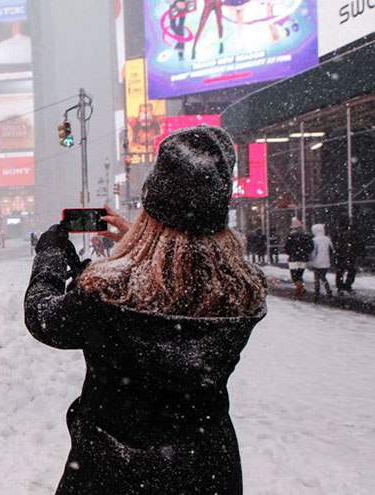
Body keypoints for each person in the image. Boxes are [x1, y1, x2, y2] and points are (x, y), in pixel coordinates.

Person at [25, 125, 267, 494]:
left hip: (114, 470)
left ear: (152, 204)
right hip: (206, 470)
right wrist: (139, 242)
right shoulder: (241, 289)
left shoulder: (107, 292)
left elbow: (43, 318)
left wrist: (50, 259)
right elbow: (184, 272)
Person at [284, 217, 314, 297]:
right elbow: (311, 247)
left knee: (294, 276)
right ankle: (300, 288)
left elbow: (287, 247)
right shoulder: (307, 235)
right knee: (300, 275)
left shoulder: (291, 236)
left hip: (294, 258)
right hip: (303, 258)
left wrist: (291, 253)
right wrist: (305, 253)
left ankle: (300, 289)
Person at [334, 221, 363, 294]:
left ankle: (340, 287)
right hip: (350, 255)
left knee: (340, 271)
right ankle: (347, 285)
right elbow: (358, 244)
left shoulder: (339, 235)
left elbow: (337, 246)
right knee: (351, 271)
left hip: (342, 256)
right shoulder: (353, 235)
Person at [310, 223, 334, 301]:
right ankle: (328, 291)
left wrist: (311, 259)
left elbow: (314, 252)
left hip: (317, 262)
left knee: (316, 278)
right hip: (326, 262)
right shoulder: (327, 239)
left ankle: (317, 293)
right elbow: (331, 250)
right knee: (323, 277)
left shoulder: (315, 240)